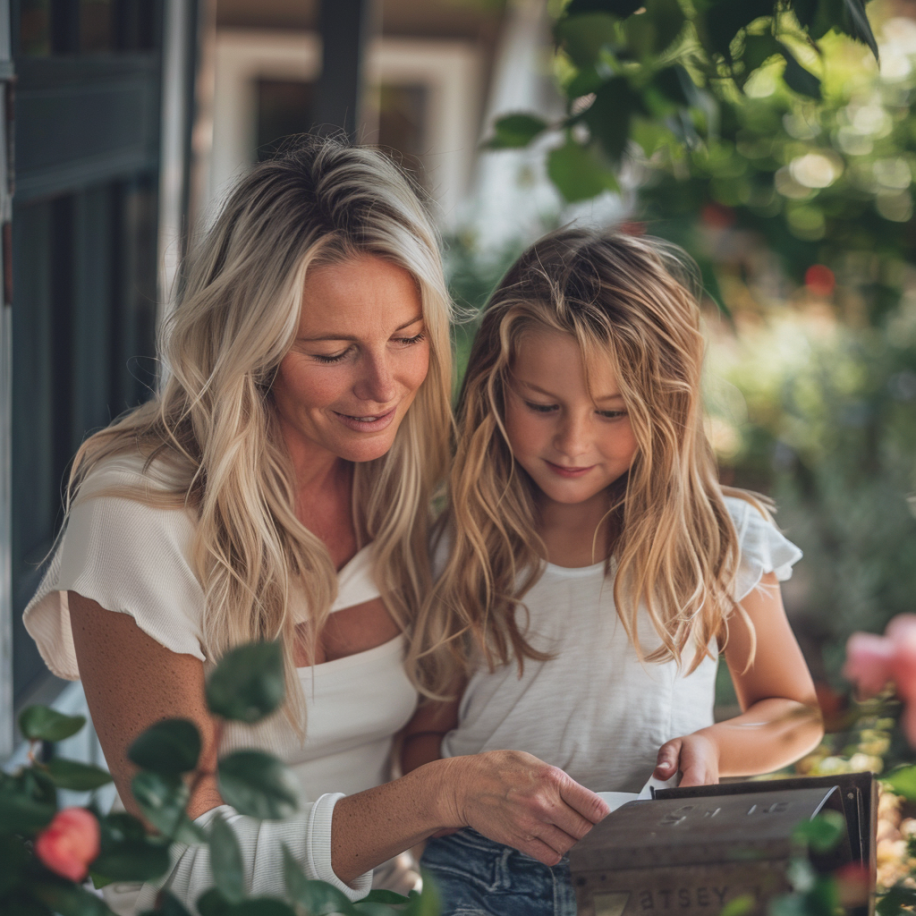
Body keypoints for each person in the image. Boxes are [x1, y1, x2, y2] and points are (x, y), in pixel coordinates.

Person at [23, 140, 610, 915]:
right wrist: (441, 795)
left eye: (407, 339)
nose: (382, 387)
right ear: (251, 349)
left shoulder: (421, 480)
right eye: (333, 352)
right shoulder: (138, 515)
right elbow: (183, 856)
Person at [402, 227, 825, 916]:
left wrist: (716, 746)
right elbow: (423, 740)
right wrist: (463, 790)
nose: (573, 441)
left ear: (667, 408)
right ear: (495, 388)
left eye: (613, 412)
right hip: (481, 871)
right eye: (543, 406)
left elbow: (795, 713)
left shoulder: (720, 539)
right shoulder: (462, 543)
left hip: (658, 867)